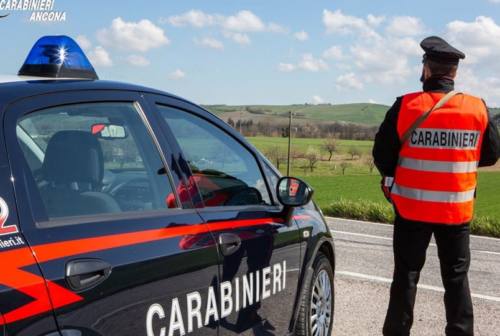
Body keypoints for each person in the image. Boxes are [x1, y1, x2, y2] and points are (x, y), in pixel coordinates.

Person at [373, 36, 500, 336]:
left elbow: (382, 154)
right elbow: (492, 154)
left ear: (427, 69)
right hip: (456, 212)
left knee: (406, 276)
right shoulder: (477, 108)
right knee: (456, 278)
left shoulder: (405, 106)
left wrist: (393, 174)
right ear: (454, 73)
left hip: (411, 209)